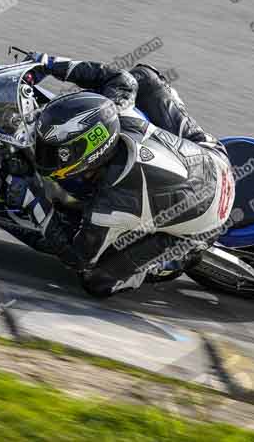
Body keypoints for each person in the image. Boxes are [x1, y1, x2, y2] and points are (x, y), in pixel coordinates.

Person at [26, 54, 235, 297]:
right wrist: (49, 64)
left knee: (96, 281)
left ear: (90, 158)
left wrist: (34, 200)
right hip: (214, 157)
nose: (47, 156)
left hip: (206, 221)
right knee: (143, 76)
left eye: (56, 153)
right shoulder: (115, 110)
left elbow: (77, 257)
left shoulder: (109, 206)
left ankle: (174, 260)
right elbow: (118, 77)